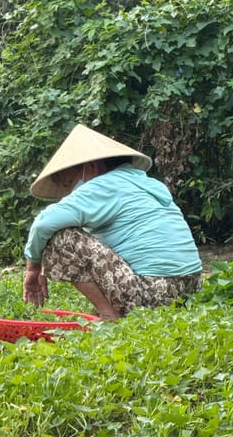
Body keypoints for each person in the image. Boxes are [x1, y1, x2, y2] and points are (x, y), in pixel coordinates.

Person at [23, 124, 202, 320]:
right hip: (190, 290)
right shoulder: (147, 183)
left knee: (61, 238)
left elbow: (43, 223)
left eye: (70, 183)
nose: (72, 192)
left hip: (153, 293)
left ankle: (110, 316)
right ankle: (118, 308)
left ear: (91, 168)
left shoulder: (102, 186)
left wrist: (33, 268)